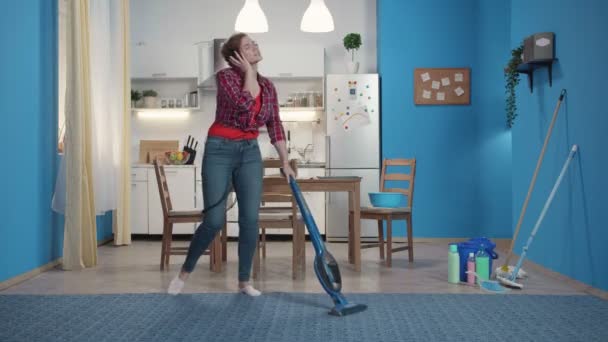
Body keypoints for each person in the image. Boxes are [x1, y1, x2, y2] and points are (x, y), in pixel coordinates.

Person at [167, 33, 296, 296]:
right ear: (236, 56)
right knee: (214, 220)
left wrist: (285, 160)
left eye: (255, 44)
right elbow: (243, 103)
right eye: (247, 47)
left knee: (250, 219)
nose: (255, 47)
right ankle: (184, 273)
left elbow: (274, 124)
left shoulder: (269, 87)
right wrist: (248, 71)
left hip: (249, 152)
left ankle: (244, 281)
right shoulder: (225, 78)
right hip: (219, 151)